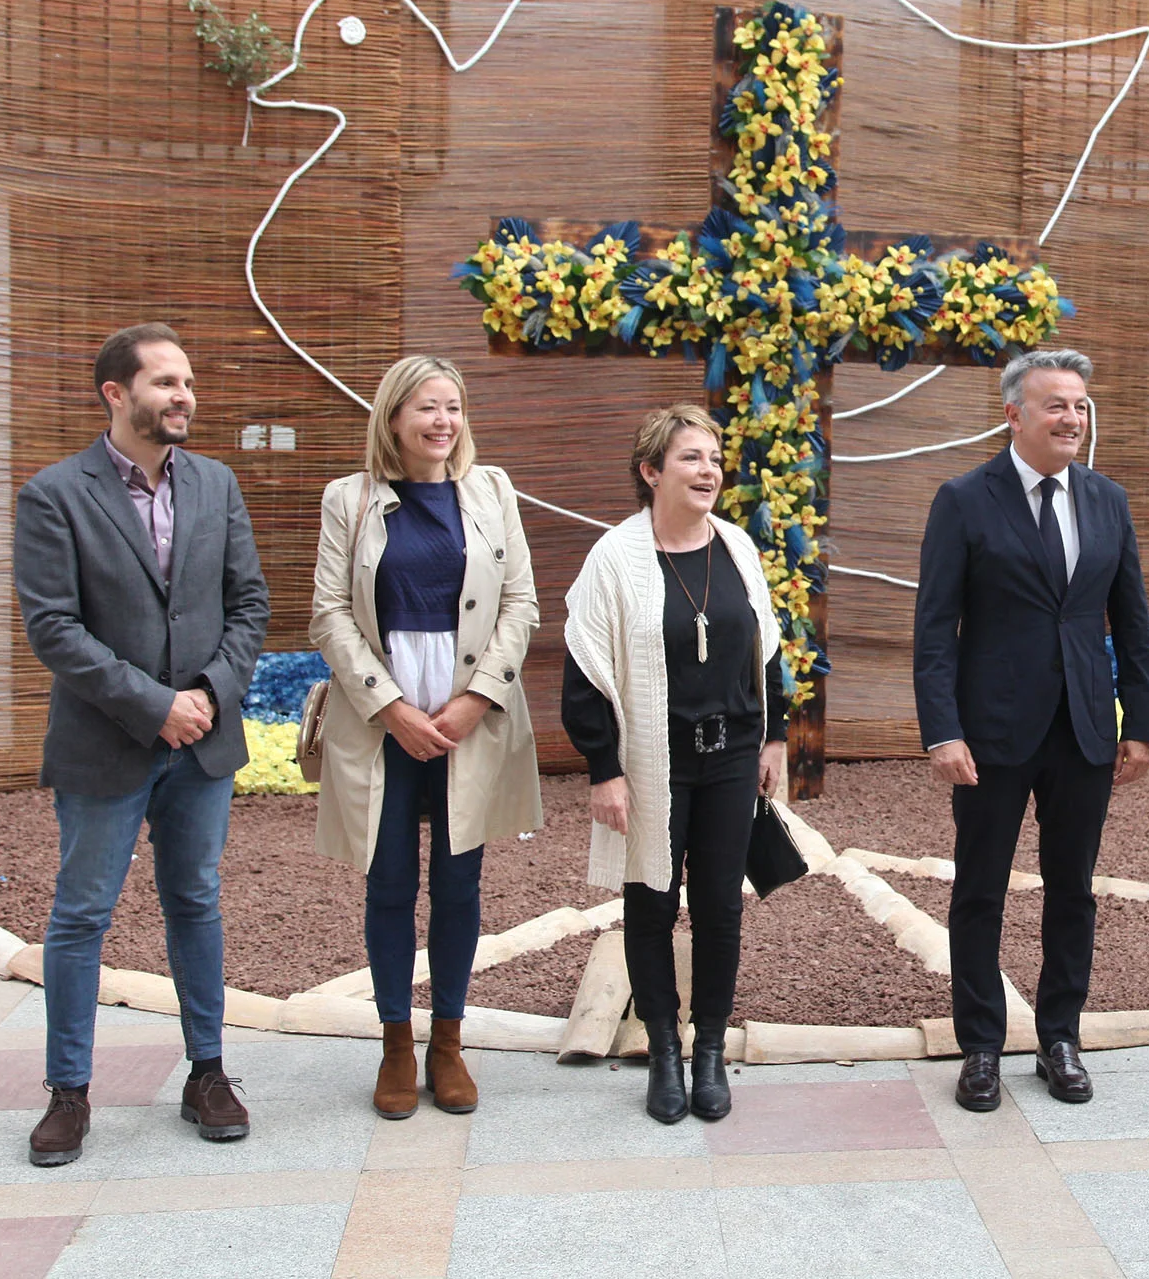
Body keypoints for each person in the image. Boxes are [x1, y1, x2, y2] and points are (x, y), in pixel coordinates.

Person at [12, 323, 270, 1168]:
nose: (183, 394)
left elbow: (249, 606)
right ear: (115, 394)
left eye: (187, 380)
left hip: (200, 744)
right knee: (81, 914)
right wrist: (153, 704)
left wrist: (205, 696)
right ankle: (68, 1093)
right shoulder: (55, 494)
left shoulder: (217, 485)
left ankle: (208, 1074)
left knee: (194, 900)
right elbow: (53, 627)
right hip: (106, 743)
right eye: (164, 381)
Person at [915, 349, 1149, 1114]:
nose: (1073, 419)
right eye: (1057, 405)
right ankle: (981, 1046)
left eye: (1081, 406)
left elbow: (1133, 620)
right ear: (1014, 414)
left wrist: (1140, 723)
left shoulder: (1107, 500)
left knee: (1072, 891)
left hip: (1084, 730)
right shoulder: (963, 499)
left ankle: (1061, 1036)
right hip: (990, 734)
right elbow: (933, 631)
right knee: (980, 891)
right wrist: (942, 730)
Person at [310, 356, 542, 1119]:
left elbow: (522, 603)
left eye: (452, 406)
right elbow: (330, 614)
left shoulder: (492, 489)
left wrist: (476, 698)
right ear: (393, 417)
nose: (443, 421)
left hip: (467, 718)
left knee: (458, 881)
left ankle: (448, 1041)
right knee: (387, 884)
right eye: (426, 408)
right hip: (384, 718)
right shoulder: (350, 498)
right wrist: (390, 708)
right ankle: (395, 1042)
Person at [563, 404, 790, 1124]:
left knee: (721, 905)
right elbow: (585, 673)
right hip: (653, 759)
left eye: (715, 457)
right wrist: (605, 769)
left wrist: (775, 735)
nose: (709, 470)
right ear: (651, 470)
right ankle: (664, 1050)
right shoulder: (615, 558)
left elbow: (769, 649)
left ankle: (710, 1049)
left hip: (729, 757)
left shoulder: (738, 547)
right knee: (652, 902)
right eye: (691, 457)